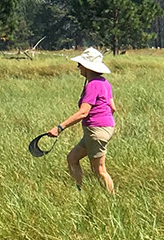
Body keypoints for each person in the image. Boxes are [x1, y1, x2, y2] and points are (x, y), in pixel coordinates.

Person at [36, 47, 118, 195]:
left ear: (87, 67)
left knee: (99, 170)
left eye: (80, 64)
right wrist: (105, 123)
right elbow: (113, 107)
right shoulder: (104, 82)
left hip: (96, 131)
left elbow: (83, 112)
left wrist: (59, 128)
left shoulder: (93, 85)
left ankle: (112, 200)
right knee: (72, 158)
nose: (78, 67)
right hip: (102, 128)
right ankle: (80, 192)